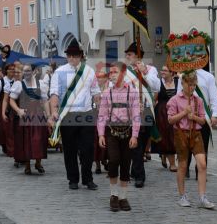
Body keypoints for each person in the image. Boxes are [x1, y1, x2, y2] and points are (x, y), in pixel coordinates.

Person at [49, 38, 101, 190]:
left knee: (87, 149)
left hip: (86, 113)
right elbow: (54, 93)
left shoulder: (89, 71)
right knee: (70, 149)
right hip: (68, 114)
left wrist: (100, 107)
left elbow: (96, 92)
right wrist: (53, 111)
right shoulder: (59, 72)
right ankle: (72, 179)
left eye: (74, 55)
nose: (71, 58)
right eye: (69, 55)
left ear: (80, 56)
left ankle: (87, 178)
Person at [167, 70, 215, 209]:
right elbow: (170, 120)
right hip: (181, 134)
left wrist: (193, 117)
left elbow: (202, 121)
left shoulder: (198, 100)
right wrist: (183, 113)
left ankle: (202, 197)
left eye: (194, 85)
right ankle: (182, 196)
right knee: (182, 165)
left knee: (202, 163)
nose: (192, 87)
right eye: (190, 85)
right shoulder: (175, 100)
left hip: (196, 134)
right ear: (183, 83)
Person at [98, 61, 140, 212]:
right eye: (110, 73)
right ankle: (113, 195)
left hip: (127, 132)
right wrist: (101, 134)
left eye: (115, 72)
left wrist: (134, 135)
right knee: (114, 160)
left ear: (123, 73)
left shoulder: (133, 92)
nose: (112, 75)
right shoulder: (107, 93)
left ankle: (123, 197)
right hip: (111, 131)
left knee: (125, 163)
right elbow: (102, 116)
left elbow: (136, 116)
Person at [124, 42, 160, 188]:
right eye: (127, 54)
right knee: (136, 143)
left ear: (138, 56)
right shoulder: (124, 72)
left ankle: (134, 169)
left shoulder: (151, 69)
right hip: (131, 111)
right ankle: (140, 176)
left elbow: (156, 86)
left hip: (146, 110)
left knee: (143, 142)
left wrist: (144, 72)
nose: (127, 57)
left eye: (130, 54)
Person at [177, 68, 217, 180]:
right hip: (186, 115)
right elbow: (178, 94)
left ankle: (200, 170)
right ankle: (185, 166)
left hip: (203, 117)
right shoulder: (182, 75)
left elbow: (213, 97)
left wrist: (214, 114)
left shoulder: (208, 76)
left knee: (203, 145)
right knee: (186, 143)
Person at [10, 64, 49, 175]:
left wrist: (48, 114)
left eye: (28, 71)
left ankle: (38, 162)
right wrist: (18, 110)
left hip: (38, 114)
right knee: (26, 139)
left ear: (33, 72)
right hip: (26, 115)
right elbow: (11, 100)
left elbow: (45, 101)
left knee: (39, 138)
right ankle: (27, 165)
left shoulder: (40, 84)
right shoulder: (19, 84)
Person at [153, 65, 178, 172]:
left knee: (175, 136)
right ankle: (172, 163)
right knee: (166, 136)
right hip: (162, 112)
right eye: (161, 69)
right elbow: (154, 99)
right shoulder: (158, 83)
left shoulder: (178, 82)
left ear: (172, 73)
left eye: (165, 70)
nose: (162, 72)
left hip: (176, 111)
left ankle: (164, 154)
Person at [0, 63, 15, 151]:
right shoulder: (1, 82)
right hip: (3, 106)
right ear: (6, 71)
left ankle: (12, 145)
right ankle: (5, 145)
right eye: (10, 69)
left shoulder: (17, 81)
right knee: (4, 127)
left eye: (13, 69)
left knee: (13, 127)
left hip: (14, 105)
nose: (12, 71)